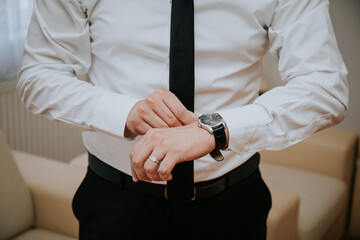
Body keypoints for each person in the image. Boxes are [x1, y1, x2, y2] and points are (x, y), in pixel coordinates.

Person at [17, 0, 348, 239]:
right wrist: (125, 112)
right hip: (116, 206)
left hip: (233, 206)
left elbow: (325, 86)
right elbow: (39, 75)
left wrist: (215, 130)